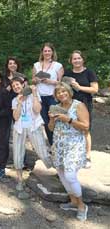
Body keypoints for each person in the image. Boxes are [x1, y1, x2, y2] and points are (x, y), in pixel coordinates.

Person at [48, 82, 89, 221]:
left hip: (74, 144)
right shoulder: (56, 107)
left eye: (64, 91)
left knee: (70, 174)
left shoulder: (79, 105)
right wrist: (52, 120)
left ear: (69, 92)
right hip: (59, 145)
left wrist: (69, 120)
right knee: (61, 172)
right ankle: (73, 201)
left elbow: (85, 126)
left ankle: (82, 205)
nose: (62, 94)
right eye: (59, 93)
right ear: (56, 96)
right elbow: (51, 128)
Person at [11, 77, 52, 191]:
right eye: (14, 86)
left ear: (23, 84)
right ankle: (20, 180)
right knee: (18, 153)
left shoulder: (33, 94)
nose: (16, 87)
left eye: (17, 85)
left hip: (34, 125)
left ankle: (58, 171)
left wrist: (34, 94)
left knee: (42, 151)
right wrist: (19, 103)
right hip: (19, 127)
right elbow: (15, 117)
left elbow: (37, 110)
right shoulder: (15, 100)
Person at [64, 50, 98, 168]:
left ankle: (87, 156)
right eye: (74, 59)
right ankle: (73, 153)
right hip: (70, 104)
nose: (77, 60)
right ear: (71, 61)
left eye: (79, 58)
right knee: (71, 128)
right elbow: (63, 88)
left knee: (85, 129)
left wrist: (79, 87)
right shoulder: (68, 73)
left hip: (84, 103)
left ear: (83, 59)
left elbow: (95, 89)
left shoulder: (89, 72)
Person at [32, 43, 64, 145]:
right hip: (40, 98)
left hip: (52, 97)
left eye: (49, 51)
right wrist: (36, 80)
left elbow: (62, 83)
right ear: (42, 52)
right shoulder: (36, 65)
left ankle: (59, 143)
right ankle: (52, 145)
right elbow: (32, 80)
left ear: (52, 52)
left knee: (55, 120)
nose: (47, 53)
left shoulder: (58, 65)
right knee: (45, 122)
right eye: (45, 51)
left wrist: (51, 82)